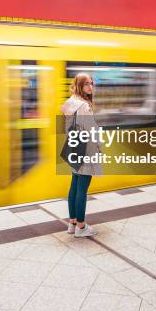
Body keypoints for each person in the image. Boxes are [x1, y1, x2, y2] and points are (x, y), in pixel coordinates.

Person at [61, 72, 103, 237]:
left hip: (74, 147)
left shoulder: (71, 102)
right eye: (86, 84)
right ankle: (81, 226)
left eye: (91, 83)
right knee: (82, 189)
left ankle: (72, 223)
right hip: (85, 149)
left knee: (74, 185)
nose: (90, 87)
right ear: (79, 85)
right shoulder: (83, 106)